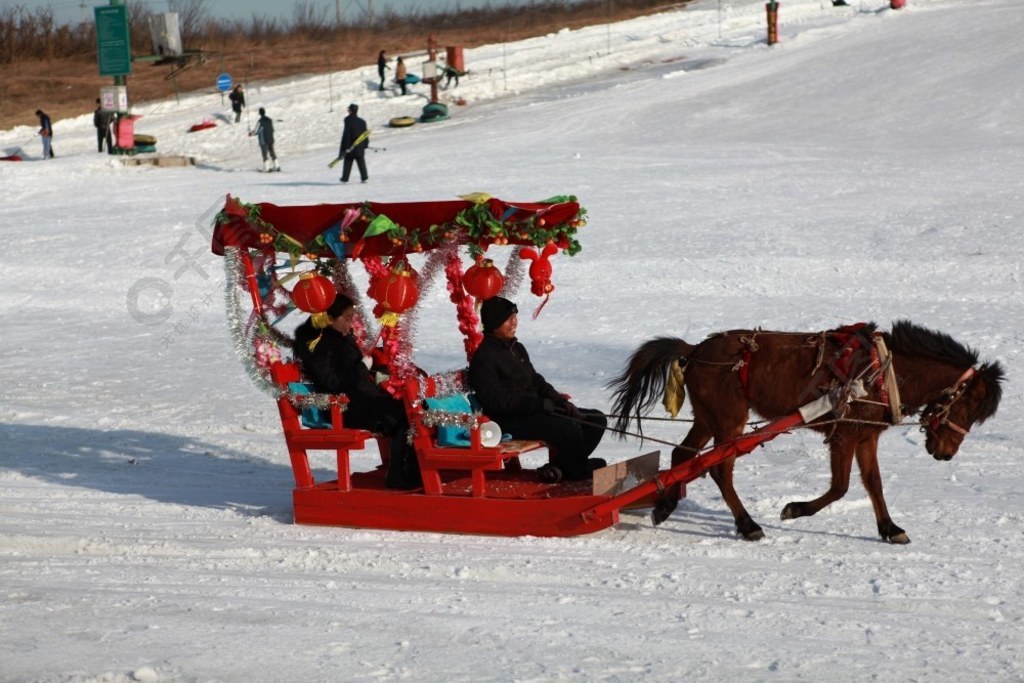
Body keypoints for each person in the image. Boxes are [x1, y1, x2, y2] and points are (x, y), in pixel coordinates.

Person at [468, 297, 607, 482]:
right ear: (494, 323)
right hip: (509, 421)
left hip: (532, 412)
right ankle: (576, 471)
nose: (515, 323)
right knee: (567, 427)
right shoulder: (484, 357)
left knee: (595, 420)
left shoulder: (516, 348)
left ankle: (561, 468)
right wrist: (536, 404)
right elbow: (495, 400)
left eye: (515, 317)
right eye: (508, 319)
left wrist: (559, 401)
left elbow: (536, 381)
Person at [293, 293, 422, 490]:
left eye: (352, 317)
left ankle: (412, 469)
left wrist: (378, 370)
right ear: (329, 318)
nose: (350, 323)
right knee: (401, 413)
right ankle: (397, 474)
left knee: (412, 407)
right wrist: (360, 367)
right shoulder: (318, 344)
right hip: (344, 406)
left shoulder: (342, 338)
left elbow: (355, 373)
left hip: (363, 398)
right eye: (346, 318)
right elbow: (332, 382)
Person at [338, 103, 369, 183]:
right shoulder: (362, 122)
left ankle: (345, 178)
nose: (348, 111)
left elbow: (347, 135)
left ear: (351, 111)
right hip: (360, 147)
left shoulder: (348, 120)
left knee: (348, 161)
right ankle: (364, 177)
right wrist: (365, 144)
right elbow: (365, 134)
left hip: (350, 146)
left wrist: (345, 148)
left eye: (348, 110)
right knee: (361, 162)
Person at [252, 107, 279, 172]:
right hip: (271, 139)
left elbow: (256, 131)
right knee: (272, 152)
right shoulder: (269, 120)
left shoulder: (260, 121)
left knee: (264, 153)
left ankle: (267, 168)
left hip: (264, 140)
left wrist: (251, 133)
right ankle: (277, 166)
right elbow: (272, 129)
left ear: (259, 113)